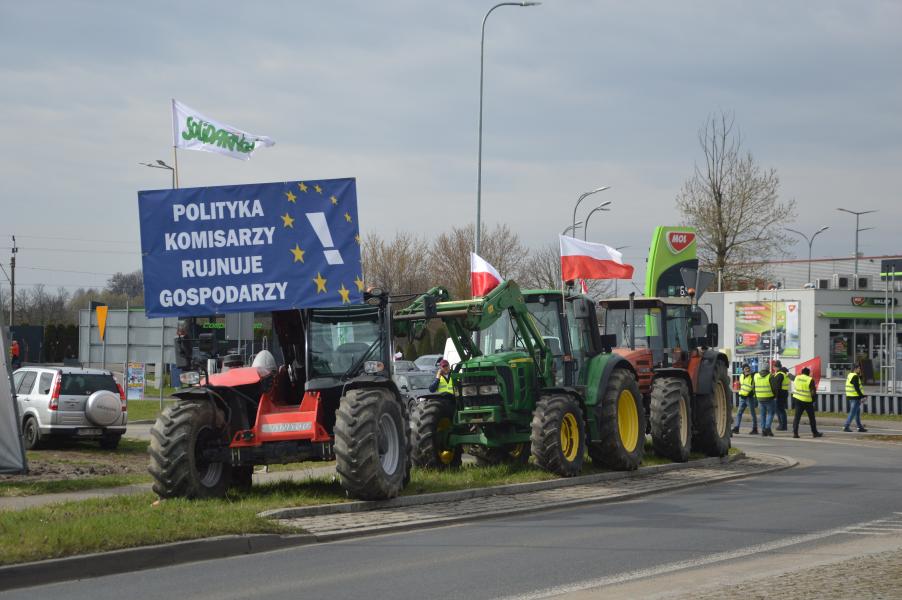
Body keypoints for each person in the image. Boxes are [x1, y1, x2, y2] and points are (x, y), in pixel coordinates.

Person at [792, 367, 823, 438]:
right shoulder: (810, 380)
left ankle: (795, 433)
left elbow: (791, 377)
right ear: (808, 373)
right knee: (811, 418)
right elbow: (813, 392)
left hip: (797, 399)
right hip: (807, 401)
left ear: (802, 372)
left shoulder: (797, 378)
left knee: (797, 417)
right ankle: (815, 433)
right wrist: (813, 400)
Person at [731, 364, 758, 434]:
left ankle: (755, 428)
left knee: (752, 413)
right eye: (745, 369)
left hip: (750, 397)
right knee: (739, 413)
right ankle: (736, 428)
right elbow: (742, 386)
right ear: (743, 370)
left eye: (748, 368)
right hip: (742, 397)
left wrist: (752, 373)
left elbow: (757, 374)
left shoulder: (752, 376)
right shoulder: (741, 376)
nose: (747, 370)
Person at [843, 364, 868, 433]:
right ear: (855, 369)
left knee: (857, 412)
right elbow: (857, 388)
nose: (859, 369)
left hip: (851, 396)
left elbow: (858, 382)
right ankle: (846, 426)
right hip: (855, 397)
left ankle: (859, 427)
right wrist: (862, 396)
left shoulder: (850, 375)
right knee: (852, 412)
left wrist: (860, 375)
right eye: (858, 368)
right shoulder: (855, 376)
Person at [754, 364, 777, 436]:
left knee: (762, 414)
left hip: (759, 398)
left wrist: (756, 395)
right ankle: (767, 428)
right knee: (771, 413)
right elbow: (774, 388)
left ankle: (763, 430)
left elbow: (753, 386)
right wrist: (774, 396)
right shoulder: (770, 376)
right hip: (769, 398)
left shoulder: (756, 376)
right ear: (768, 369)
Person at [772, 361, 791, 431]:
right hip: (784, 393)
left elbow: (777, 387)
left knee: (780, 410)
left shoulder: (779, 374)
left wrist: (775, 396)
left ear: (776, 367)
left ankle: (782, 426)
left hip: (780, 394)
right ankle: (782, 425)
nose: (773, 368)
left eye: (774, 367)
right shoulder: (784, 373)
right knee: (780, 410)